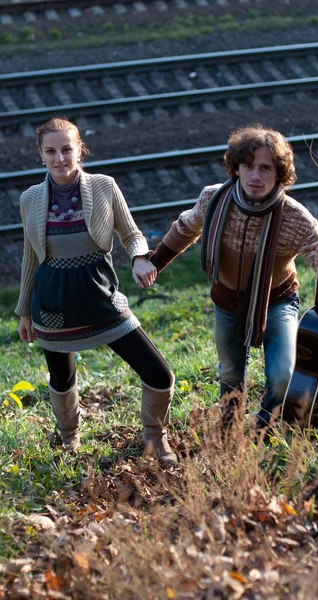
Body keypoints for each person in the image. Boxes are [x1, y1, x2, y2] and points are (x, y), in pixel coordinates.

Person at [150, 125, 318, 431]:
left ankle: (264, 427)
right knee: (230, 373)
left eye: (265, 168)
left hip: (277, 303)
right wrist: (154, 264)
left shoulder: (296, 219)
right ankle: (229, 429)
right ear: (236, 168)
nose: (255, 176)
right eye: (247, 166)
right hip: (226, 304)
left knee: (283, 376)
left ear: (279, 174)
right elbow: (185, 229)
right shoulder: (214, 199)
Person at [15, 117, 176, 465]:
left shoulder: (104, 186)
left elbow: (132, 234)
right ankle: (69, 436)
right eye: (51, 151)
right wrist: (25, 311)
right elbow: (31, 258)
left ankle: (155, 438)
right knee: (61, 378)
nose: (60, 158)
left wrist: (138, 258)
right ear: (41, 155)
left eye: (66, 149)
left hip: (101, 298)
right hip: (52, 305)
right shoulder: (30, 199)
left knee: (158, 373)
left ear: (79, 150)